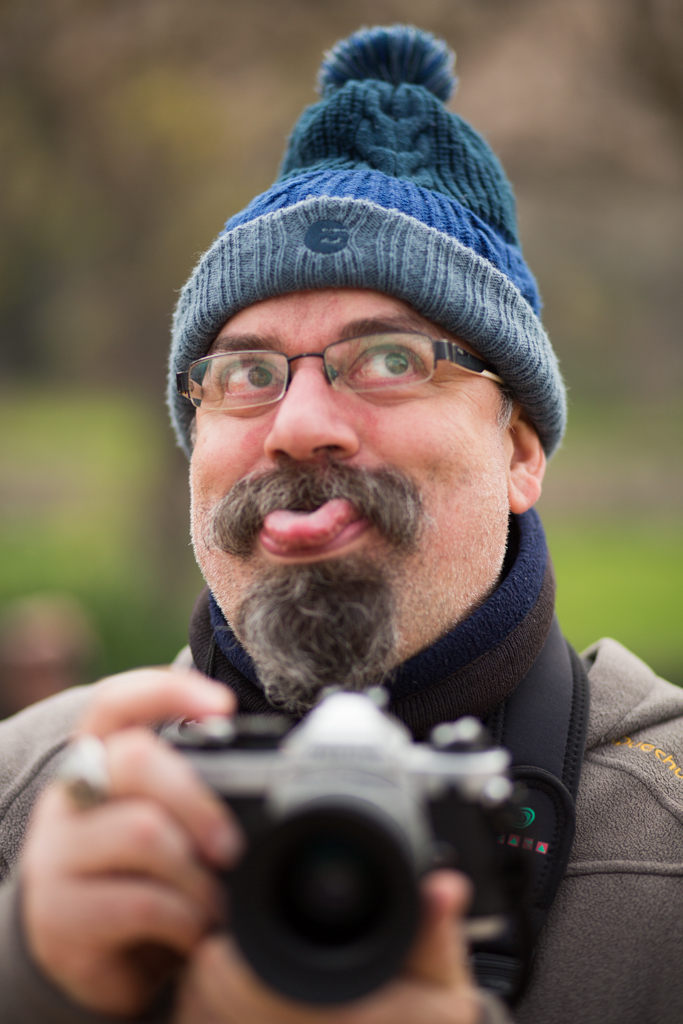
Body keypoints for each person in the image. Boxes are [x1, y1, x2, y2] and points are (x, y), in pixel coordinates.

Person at [0, 23, 682, 1024]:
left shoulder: (663, 842)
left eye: (391, 359)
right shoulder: (31, 802)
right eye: (246, 372)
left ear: (519, 452)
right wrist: (35, 978)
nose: (298, 425)